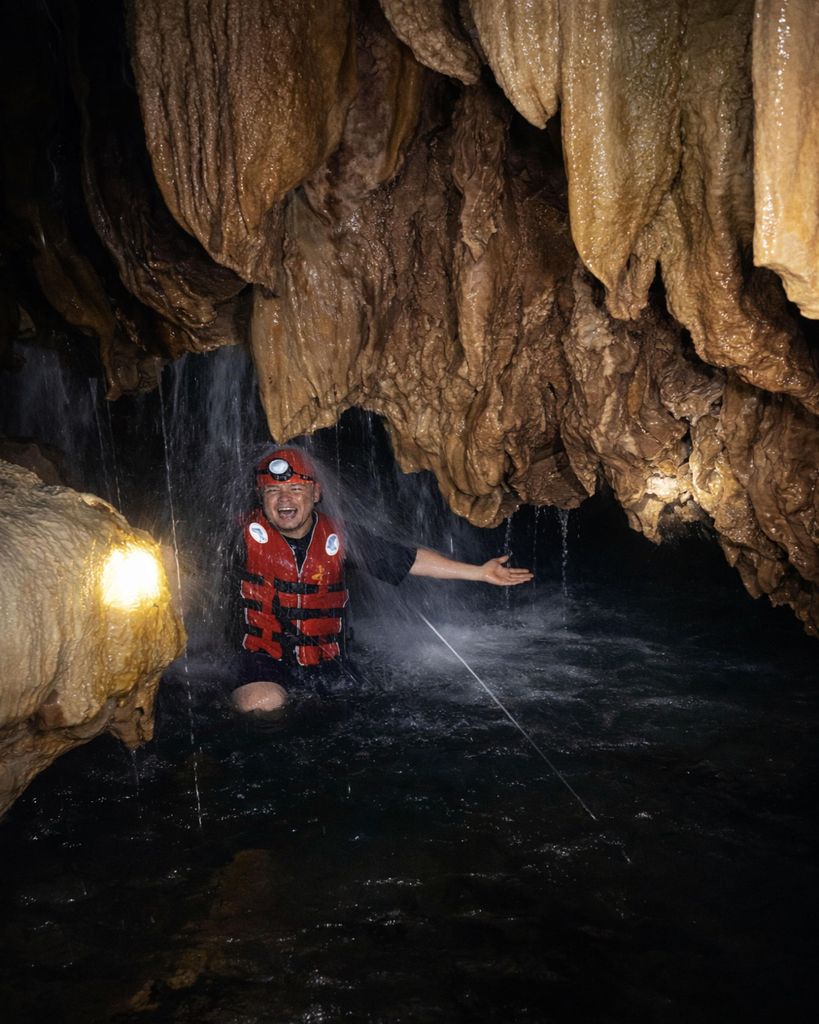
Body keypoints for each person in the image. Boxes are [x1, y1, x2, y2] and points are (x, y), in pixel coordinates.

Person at [232, 447, 533, 714]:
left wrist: (479, 572)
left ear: (316, 493)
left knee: (372, 711)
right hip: (265, 659)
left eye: (296, 488)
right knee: (263, 701)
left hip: (327, 660)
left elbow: (409, 559)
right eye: (273, 491)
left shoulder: (343, 537)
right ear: (262, 497)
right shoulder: (239, 537)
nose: (285, 499)